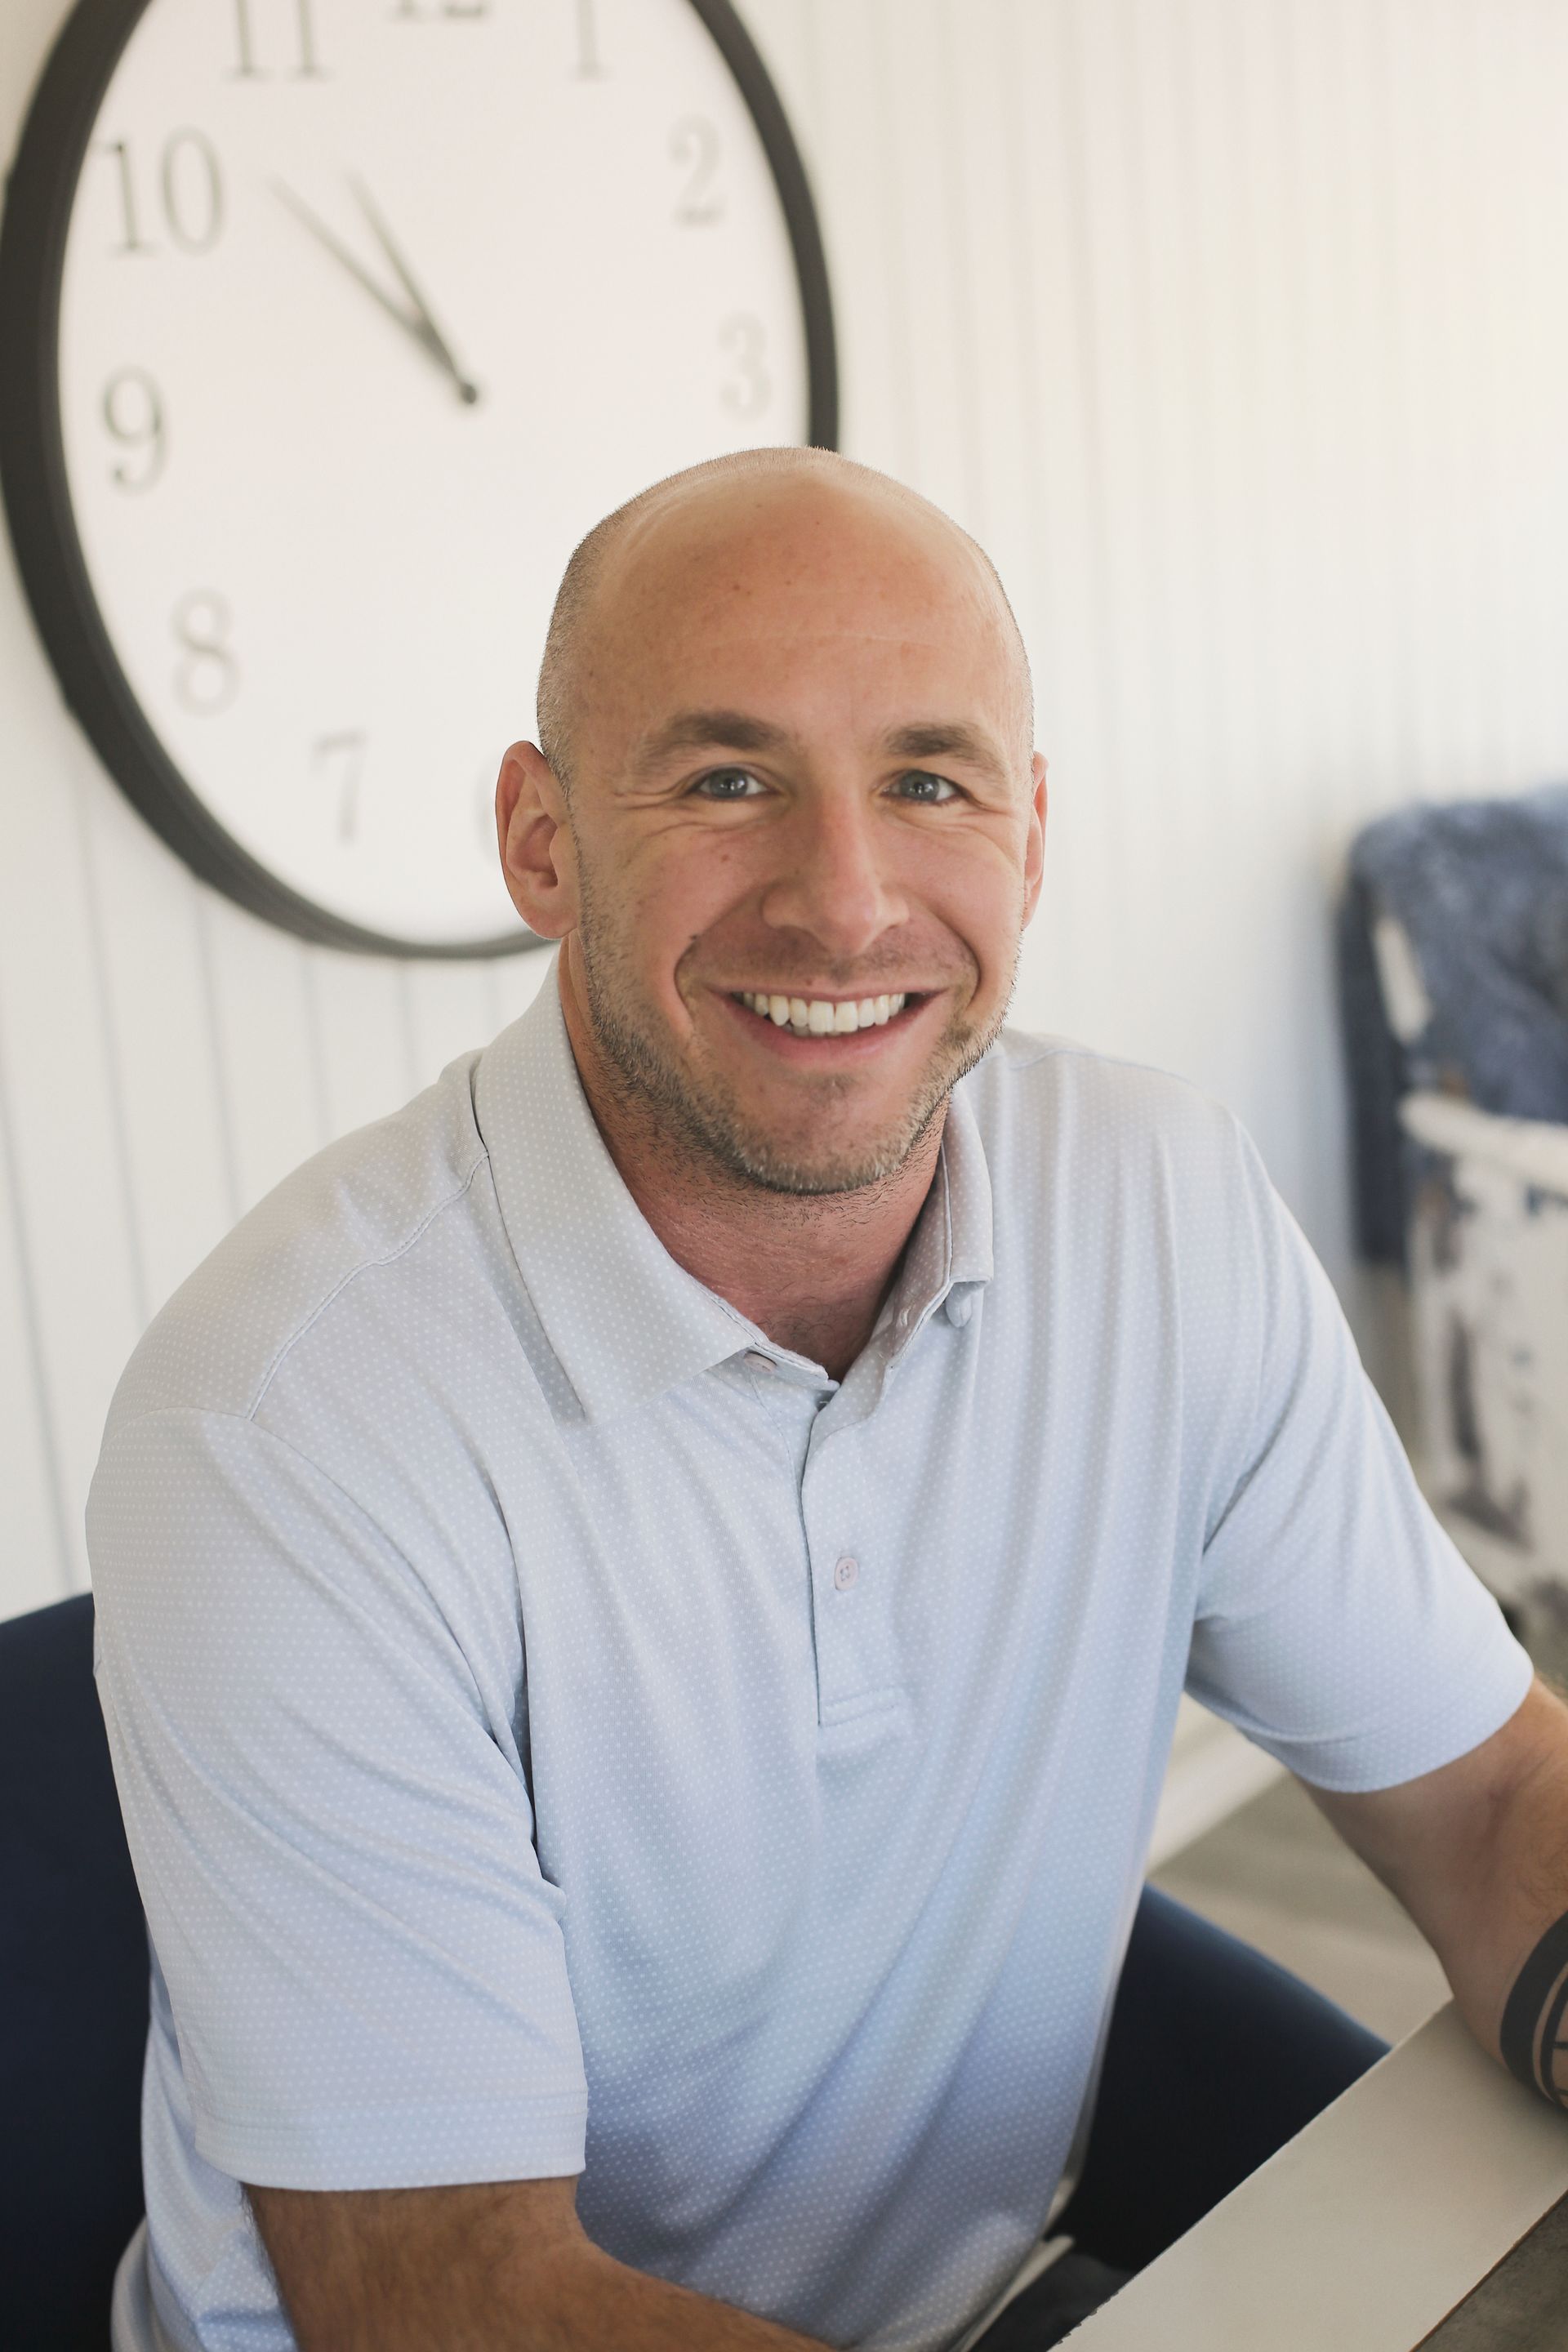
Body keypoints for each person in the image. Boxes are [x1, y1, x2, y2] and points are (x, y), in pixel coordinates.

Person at [88, 448, 1568, 2352]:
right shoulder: (286, 1434)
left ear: (1029, 836)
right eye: (726, 780)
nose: (848, 900)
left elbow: (1490, 1795)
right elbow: (447, 2300)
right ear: (542, 839)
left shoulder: (1156, 1206)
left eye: (929, 782)